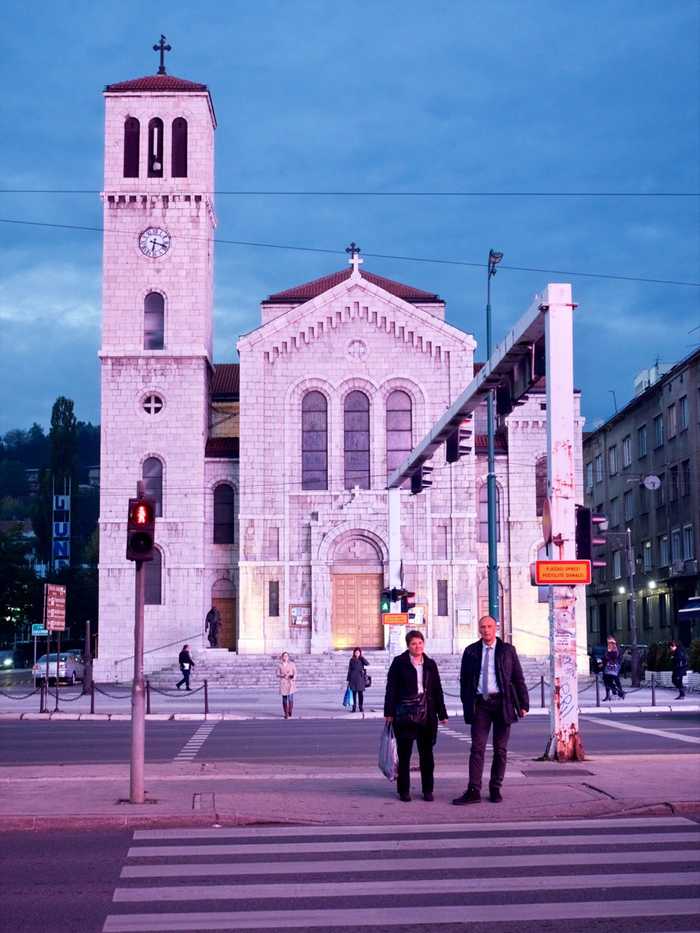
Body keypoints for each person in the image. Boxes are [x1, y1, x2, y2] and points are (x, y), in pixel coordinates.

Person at [453, 615, 529, 805]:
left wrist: (524, 704)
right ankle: (473, 790)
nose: (486, 630)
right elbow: (464, 681)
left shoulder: (507, 650)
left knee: (500, 749)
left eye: (489, 626)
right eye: (482, 627)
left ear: (496, 628)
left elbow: (518, 678)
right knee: (477, 748)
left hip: (502, 703)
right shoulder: (471, 651)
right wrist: (467, 703)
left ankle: (495, 788)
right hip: (480, 705)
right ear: (479, 629)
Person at [384, 630, 448, 802]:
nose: (417, 646)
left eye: (420, 643)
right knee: (404, 756)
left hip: (427, 715)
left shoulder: (430, 664)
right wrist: (389, 712)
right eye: (413, 643)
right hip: (405, 715)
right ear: (408, 646)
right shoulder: (399, 663)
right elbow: (391, 689)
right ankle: (404, 790)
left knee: (427, 755)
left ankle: (428, 790)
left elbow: (437, 690)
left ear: (423, 644)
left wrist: (442, 713)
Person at [346, 647, 369, 713]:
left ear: (360, 653)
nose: (357, 654)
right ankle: (354, 708)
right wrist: (348, 679)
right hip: (353, 679)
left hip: (360, 679)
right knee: (353, 695)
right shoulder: (351, 660)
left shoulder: (362, 659)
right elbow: (349, 670)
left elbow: (367, 663)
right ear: (354, 653)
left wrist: (362, 657)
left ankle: (361, 707)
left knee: (360, 694)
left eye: (358, 652)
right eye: (356, 652)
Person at [602, 637, 625, 701]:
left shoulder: (615, 649)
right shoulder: (608, 648)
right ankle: (610, 693)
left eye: (610, 641)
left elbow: (615, 657)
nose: (609, 643)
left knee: (615, 680)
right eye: (608, 642)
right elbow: (605, 658)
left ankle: (619, 693)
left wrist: (609, 653)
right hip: (607, 667)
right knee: (607, 681)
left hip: (614, 668)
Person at [277, 651, 297, 718]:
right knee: (284, 698)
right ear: (282, 657)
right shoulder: (280, 665)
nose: (285, 657)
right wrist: (282, 675)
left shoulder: (292, 664)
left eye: (286, 656)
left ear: (288, 657)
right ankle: (286, 713)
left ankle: (290, 710)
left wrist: (293, 677)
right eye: (284, 656)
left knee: (290, 698)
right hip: (283, 683)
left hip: (290, 682)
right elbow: (277, 674)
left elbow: (295, 672)